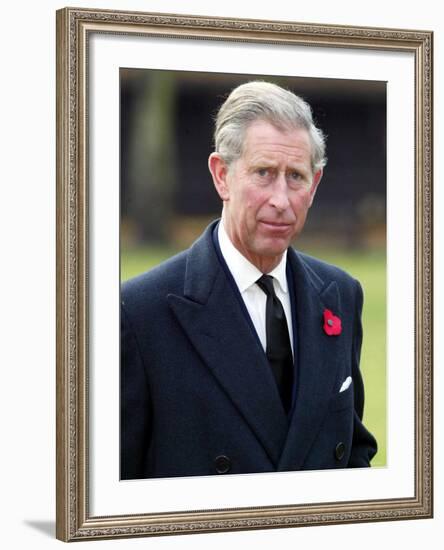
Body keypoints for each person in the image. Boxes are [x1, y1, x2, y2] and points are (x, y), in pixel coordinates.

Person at [120, 81, 377, 480]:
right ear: (222, 175)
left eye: (296, 176)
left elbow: (354, 451)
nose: (281, 199)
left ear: (316, 184)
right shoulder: (139, 312)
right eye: (264, 173)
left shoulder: (341, 295)